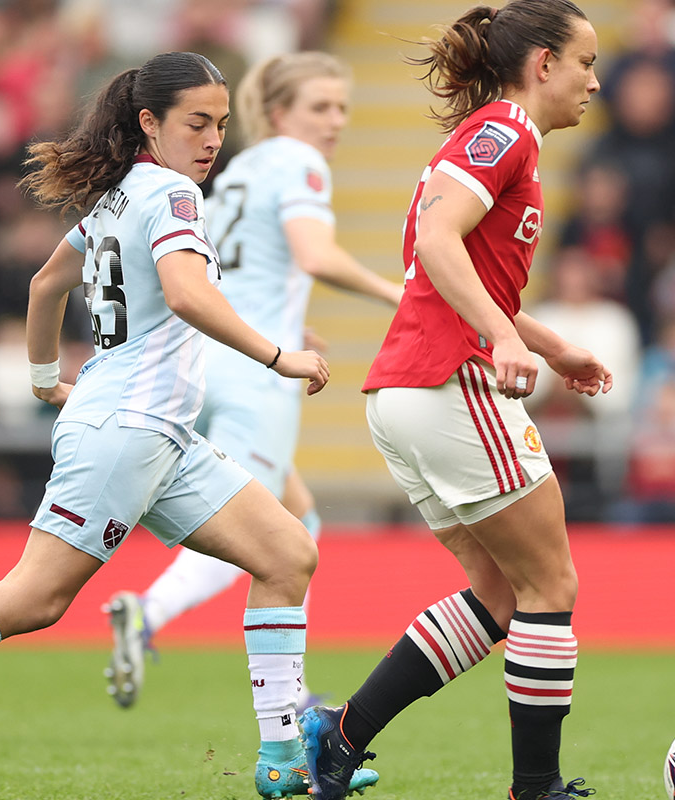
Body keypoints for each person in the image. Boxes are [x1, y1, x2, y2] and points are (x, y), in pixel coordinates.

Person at [0, 51, 360, 800]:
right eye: (196, 123)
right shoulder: (171, 195)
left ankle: (283, 760)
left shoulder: (119, 196)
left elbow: (46, 285)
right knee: (35, 597)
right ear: (148, 122)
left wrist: (46, 382)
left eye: (221, 125)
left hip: (154, 432)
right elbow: (187, 294)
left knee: (288, 553)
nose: (211, 139)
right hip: (128, 429)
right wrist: (278, 356)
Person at [297, 3, 612, 800]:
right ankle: (535, 788)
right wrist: (502, 342)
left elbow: (453, 263)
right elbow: (437, 243)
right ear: (543, 64)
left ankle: (338, 738)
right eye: (585, 62)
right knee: (552, 588)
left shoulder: (499, 137)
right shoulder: (503, 131)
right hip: (448, 383)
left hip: (407, 391)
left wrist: (546, 343)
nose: (595, 80)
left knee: (502, 596)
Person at [99, 50, 402, 712]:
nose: (337, 121)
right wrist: (398, 294)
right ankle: (148, 612)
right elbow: (312, 254)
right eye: (320, 107)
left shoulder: (234, 174)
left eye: (343, 108)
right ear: (278, 113)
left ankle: (291, 697)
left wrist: (289, 324)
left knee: (298, 518)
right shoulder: (299, 163)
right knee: (259, 535)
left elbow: (229, 273)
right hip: (258, 378)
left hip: (210, 359)